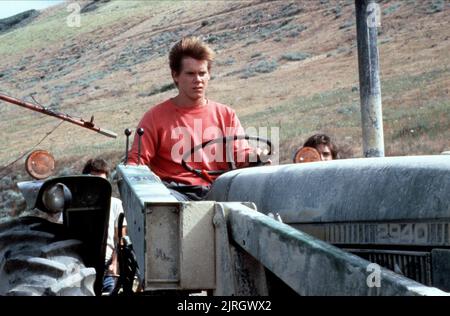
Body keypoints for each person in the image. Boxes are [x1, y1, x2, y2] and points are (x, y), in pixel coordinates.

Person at [127, 36, 267, 201]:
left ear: (209, 75)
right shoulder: (155, 117)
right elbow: (135, 163)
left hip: (219, 189)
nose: (198, 80)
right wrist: (149, 181)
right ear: (175, 75)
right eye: (190, 74)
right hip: (174, 192)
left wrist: (255, 156)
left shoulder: (226, 115)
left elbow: (241, 156)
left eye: (202, 73)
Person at [82, 158, 127, 295]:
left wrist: (114, 263)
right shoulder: (75, 204)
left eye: (102, 182)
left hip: (107, 267)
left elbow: (120, 238)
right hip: (80, 266)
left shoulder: (115, 204)